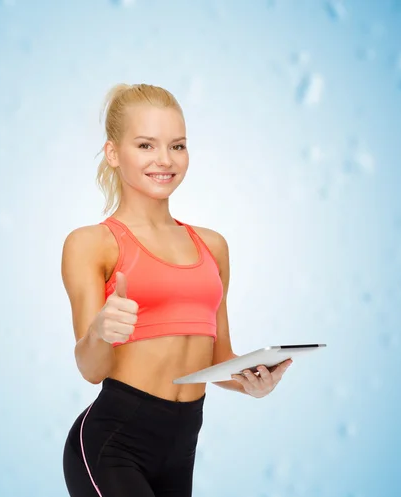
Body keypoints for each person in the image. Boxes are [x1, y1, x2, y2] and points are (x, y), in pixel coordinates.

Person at [60, 83, 293, 497]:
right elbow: (91, 368)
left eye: (178, 146)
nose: (165, 160)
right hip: (113, 444)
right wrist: (100, 331)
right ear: (113, 153)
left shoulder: (212, 246)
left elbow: (219, 359)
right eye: (146, 145)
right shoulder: (91, 243)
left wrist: (251, 380)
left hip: (181, 447)